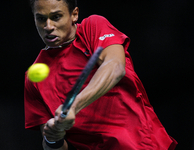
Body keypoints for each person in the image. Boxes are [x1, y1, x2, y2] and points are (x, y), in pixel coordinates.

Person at [24, 0, 178, 149]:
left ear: (74, 14)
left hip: (140, 143)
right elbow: (56, 147)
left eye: (56, 17)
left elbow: (115, 67)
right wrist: (53, 138)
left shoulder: (93, 27)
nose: (48, 26)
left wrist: (74, 107)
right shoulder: (33, 80)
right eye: (41, 18)